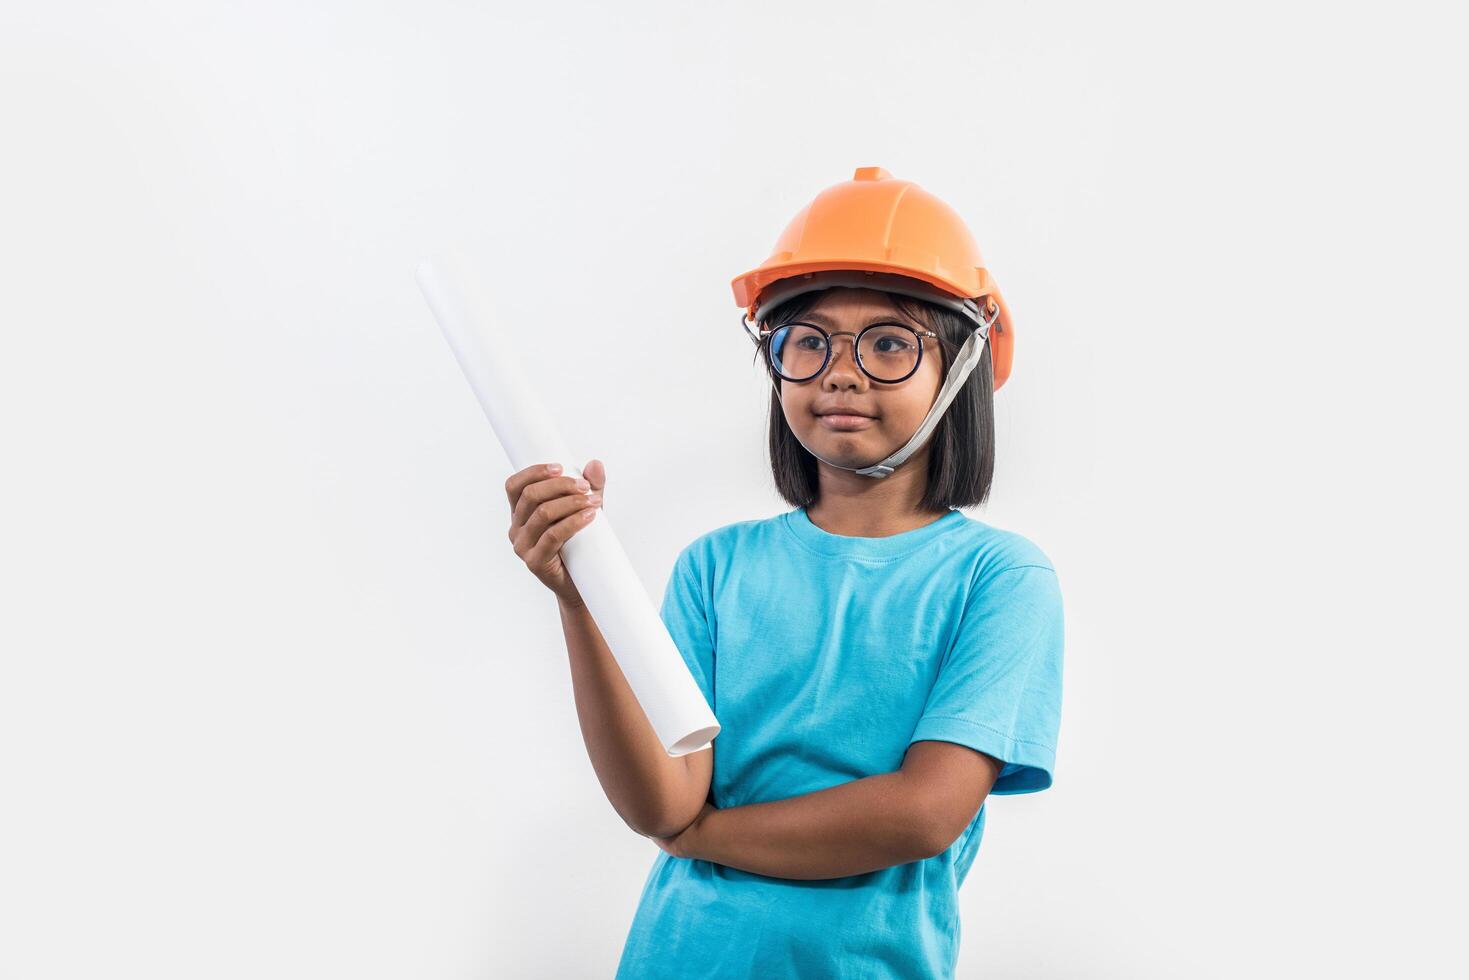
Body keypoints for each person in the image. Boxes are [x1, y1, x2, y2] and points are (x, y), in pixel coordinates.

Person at [504, 167, 1064, 978]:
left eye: (888, 342)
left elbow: (922, 811)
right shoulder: (716, 566)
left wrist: (701, 838)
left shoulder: (999, 578)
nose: (840, 371)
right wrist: (578, 599)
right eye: (808, 341)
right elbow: (662, 799)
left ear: (962, 366)